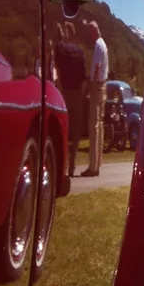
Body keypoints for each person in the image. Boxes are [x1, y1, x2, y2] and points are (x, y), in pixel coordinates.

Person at [54, 21, 87, 178]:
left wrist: (60, 35)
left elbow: (58, 63)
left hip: (65, 93)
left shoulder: (62, 50)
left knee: (64, 131)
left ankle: (64, 167)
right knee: (76, 132)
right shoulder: (80, 53)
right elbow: (83, 77)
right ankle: (72, 166)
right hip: (78, 94)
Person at [82, 19, 108, 177]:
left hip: (97, 85)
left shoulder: (98, 45)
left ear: (93, 31)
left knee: (94, 126)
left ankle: (93, 166)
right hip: (103, 86)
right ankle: (98, 163)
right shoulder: (103, 44)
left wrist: (90, 87)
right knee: (100, 126)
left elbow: (97, 67)